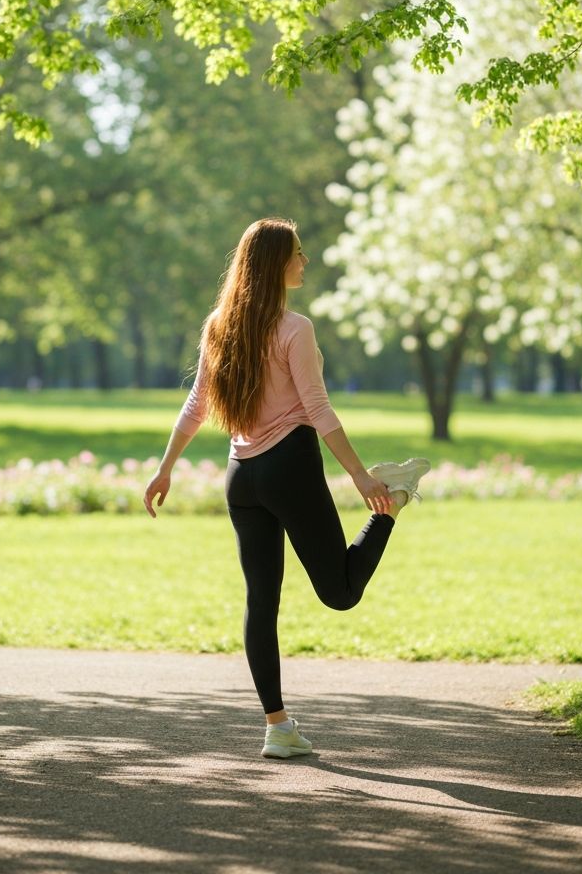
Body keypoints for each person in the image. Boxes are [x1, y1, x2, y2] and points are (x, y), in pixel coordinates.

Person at [143, 218, 429, 759]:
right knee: (339, 594)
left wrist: (165, 468)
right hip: (289, 468)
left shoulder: (219, 325)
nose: (304, 261)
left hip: (241, 477)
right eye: (298, 253)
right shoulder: (295, 328)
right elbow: (317, 408)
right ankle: (392, 503)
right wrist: (361, 477)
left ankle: (278, 728)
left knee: (262, 601)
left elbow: (195, 405)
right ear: (276, 263)